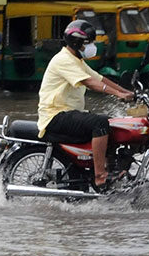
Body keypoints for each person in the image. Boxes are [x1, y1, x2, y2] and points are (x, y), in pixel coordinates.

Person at [37, 20, 134, 189]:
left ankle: (112, 169)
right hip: (55, 116)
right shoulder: (63, 60)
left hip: (68, 113)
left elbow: (100, 78)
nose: (92, 46)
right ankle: (100, 176)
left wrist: (125, 91)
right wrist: (117, 94)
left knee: (112, 123)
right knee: (99, 123)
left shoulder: (76, 60)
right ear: (77, 43)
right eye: (89, 43)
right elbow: (90, 83)